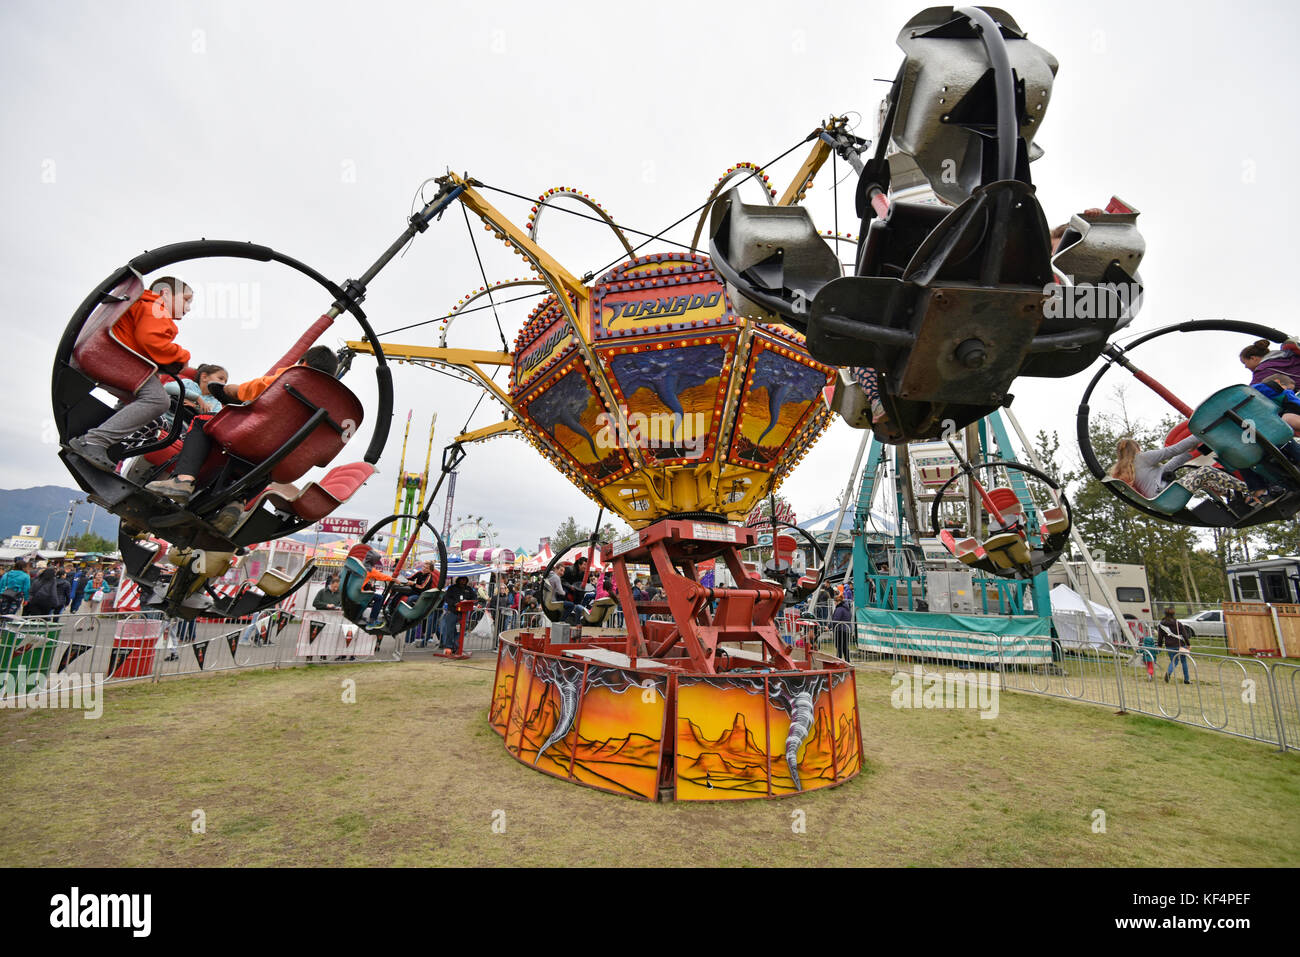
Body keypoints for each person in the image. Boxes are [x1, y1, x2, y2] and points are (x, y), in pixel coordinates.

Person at [143, 346, 340, 531]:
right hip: (280, 454)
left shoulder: (294, 375)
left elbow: (252, 390)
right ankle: (237, 504)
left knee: (203, 422)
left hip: (253, 435)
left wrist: (228, 390)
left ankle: (183, 480)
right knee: (270, 466)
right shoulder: (333, 402)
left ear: (303, 361)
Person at [68, 277, 194, 472]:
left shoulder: (141, 306)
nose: (188, 307)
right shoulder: (156, 306)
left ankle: (107, 444)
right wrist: (182, 357)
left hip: (104, 355)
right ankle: (95, 441)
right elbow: (152, 341)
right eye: (186, 299)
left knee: (140, 402)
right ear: (166, 293)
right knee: (157, 401)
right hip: (110, 357)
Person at [1109, 436, 1248, 503]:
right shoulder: (1141, 458)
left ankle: (1240, 497)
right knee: (1205, 471)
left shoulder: (1126, 470)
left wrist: (1189, 452)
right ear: (1136, 449)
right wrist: (1200, 434)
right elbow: (1173, 450)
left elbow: (1168, 468)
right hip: (1165, 494)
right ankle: (1250, 489)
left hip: (1160, 499)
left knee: (1203, 481)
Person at [438, 576, 477, 656]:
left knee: (462, 631)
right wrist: (455, 603)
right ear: (458, 580)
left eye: (465, 580)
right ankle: (449, 646)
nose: (463, 581)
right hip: (452, 611)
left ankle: (457, 647)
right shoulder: (452, 588)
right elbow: (447, 598)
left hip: (464, 613)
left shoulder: (469, 589)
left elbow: (474, 598)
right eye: (462, 580)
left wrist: (470, 602)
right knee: (449, 629)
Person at [1157, 609, 1193, 685]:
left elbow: (1160, 636)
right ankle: (1186, 679)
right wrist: (1188, 644)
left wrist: (1159, 645)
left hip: (1169, 646)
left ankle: (1168, 672)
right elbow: (1184, 635)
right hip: (1180, 645)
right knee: (1184, 662)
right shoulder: (1178, 623)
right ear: (1174, 614)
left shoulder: (1161, 624)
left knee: (1174, 661)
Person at [831, 587, 853, 660]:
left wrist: (829, 626)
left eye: (835, 601)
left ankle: (839, 660)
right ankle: (847, 660)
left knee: (839, 646)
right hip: (846, 629)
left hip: (840, 629)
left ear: (837, 601)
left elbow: (835, 619)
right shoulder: (847, 608)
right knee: (845, 647)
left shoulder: (839, 609)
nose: (834, 603)